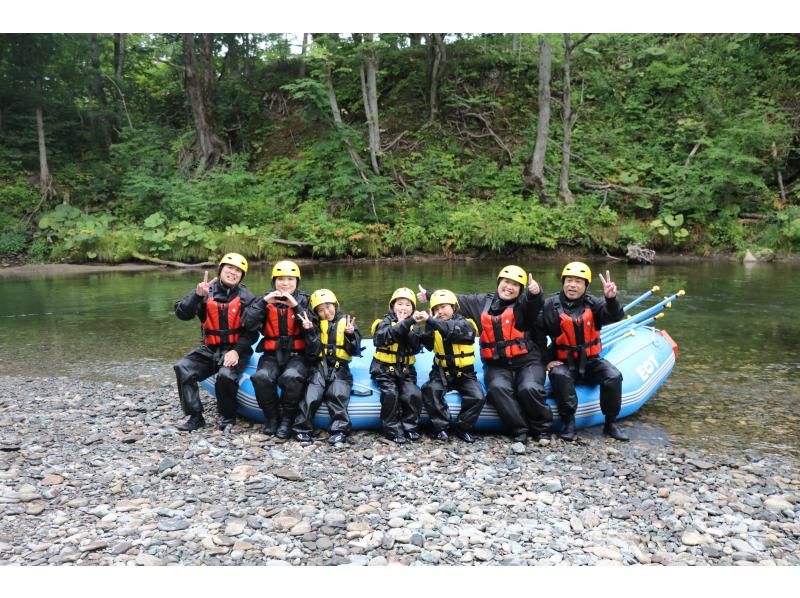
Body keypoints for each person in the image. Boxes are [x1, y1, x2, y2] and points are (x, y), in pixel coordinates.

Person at [418, 265, 549, 443]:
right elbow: (456, 300)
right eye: (506, 282)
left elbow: (534, 306)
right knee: (497, 389)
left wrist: (536, 293)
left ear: (520, 290)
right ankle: (520, 430)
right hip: (497, 364)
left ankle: (542, 430)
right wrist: (428, 294)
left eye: (515, 285)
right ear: (498, 283)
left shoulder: (524, 305)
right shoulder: (482, 302)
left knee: (529, 388)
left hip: (527, 362)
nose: (509, 287)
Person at [538, 261, 629, 441]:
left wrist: (611, 299)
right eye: (569, 280)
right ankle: (569, 423)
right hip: (563, 361)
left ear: (585, 286)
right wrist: (546, 361)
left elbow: (615, 316)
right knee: (559, 375)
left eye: (578, 281)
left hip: (591, 360)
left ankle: (610, 423)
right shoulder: (550, 306)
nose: (573, 285)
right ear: (563, 282)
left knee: (613, 376)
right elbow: (537, 334)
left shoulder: (594, 304)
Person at [173, 253, 257, 432]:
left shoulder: (247, 298)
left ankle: (228, 416)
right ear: (221, 270)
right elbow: (182, 313)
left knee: (226, 375)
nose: (233, 273)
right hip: (209, 348)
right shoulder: (205, 292)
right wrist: (196, 295)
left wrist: (236, 351)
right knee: (182, 367)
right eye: (229, 268)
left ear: (242, 276)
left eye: (238, 271)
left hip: (236, 350)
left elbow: (252, 333)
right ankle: (195, 416)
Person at [244, 260, 310, 439]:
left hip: (297, 355)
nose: (285, 283)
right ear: (274, 281)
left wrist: (295, 306)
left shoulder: (305, 300)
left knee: (291, 377)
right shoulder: (264, 300)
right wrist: (263, 302)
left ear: (297, 281)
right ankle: (272, 419)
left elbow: (313, 327)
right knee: (261, 377)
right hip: (271, 354)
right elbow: (248, 324)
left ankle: (287, 421)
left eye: (290, 279)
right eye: (281, 279)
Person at [292, 289, 362, 445]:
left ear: (335, 305)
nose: (326, 312)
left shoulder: (348, 322)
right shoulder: (314, 325)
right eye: (321, 310)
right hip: (319, 366)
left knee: (338, 395)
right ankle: (301, 429)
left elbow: (355, 351)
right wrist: (309, 331)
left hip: (340, 368)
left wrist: (351, 335)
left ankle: (340, 431)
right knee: (311, 396)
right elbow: (312, 353)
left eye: (329, 306)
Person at [416, 289, 486, 443]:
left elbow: (456, 332)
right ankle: (441, 428)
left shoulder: (467, 323)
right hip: (440, 372)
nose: (440, 311)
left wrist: (432, 320)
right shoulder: (432, 325)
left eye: (443, 307)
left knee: (477, 396)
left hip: (465, 373)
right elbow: (427, 345)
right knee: (430, 390)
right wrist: (424, 326)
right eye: (436, 309)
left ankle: (464, 428)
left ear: (454, 307)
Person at [370, 288, 424, 444]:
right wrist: (400, 325)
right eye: (400, 304)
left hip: (406, 370)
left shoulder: (414, 326)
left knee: (412, 393)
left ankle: (410, 427)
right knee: (391, 394)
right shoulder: (383, 322)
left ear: (413, 309)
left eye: (408, 305)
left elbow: (415, 346)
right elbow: (380, 339)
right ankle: (392, 430)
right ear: (392, 306)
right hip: (384, 369)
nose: (403, 308)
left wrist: (405, 325)